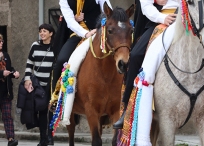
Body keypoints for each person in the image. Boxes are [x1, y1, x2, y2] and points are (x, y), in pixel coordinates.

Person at [113, 0, 179, 129]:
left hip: (186, 18)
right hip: (160, 19)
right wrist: (162, 18)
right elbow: (146, 6)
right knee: (136, 54)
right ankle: (128, 108)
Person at [51, 0, 112, 95]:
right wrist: (85, 33)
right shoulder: (64, 1)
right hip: (78, 34)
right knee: (61, 60)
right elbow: (70, 21)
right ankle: (55, 97)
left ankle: (122, 92)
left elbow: (108, 12)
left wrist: (100, 28)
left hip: (97, 32)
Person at [23, 23, 55, 146]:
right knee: (42, 111)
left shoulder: (55, 47)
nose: (42, 33)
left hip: (52, 85)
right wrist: (27, 79)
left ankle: (50, 136)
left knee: (52, 110)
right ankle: (43, 140)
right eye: (40, 31)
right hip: (39, 85)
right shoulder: (35, 46)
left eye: (45, 31)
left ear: (51, 33)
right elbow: (29, 63)